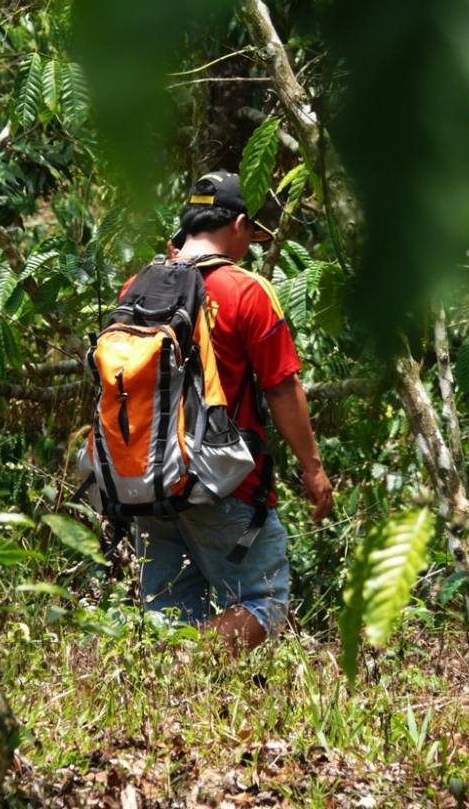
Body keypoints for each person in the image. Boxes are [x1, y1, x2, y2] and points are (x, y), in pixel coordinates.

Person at [134, 170, 333, 654]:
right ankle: (183, 671)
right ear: (239, 224)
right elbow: (282, 388)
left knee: (168, 612)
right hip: (224, 483)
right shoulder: (245, 290)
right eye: (251, 234)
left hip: (146, 480)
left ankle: (162, 704)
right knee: (264, 601)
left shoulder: (138, 286)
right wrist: (313, 469)